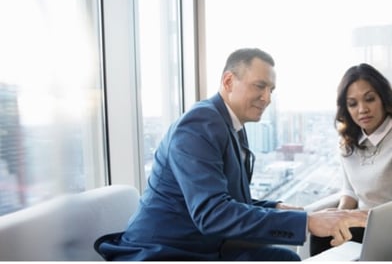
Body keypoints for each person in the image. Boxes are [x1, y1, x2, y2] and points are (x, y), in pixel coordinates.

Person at [95, 48, 367, 261]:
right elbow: (212, 213)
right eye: (259, 86)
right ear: (228, 81)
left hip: (203, 245)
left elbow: (225, 198)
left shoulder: (231, 125)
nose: (267, 97)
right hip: (165, 251)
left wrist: (275, 207)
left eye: (271, 90)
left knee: (283, 258)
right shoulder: (199, 125)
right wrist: (308, 221)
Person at [310, 63, 392, 257]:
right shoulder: (349, 142)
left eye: (369, 99)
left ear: (383, 98)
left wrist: (349, 218)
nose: (362, 109)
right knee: (322, 235)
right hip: (367, 225)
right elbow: (350, 193)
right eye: (353, 104)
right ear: (346, 109)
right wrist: (337, 220)